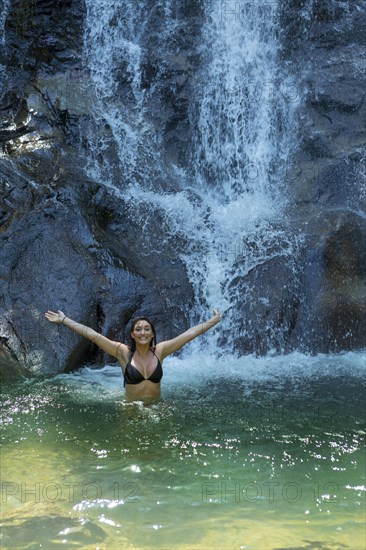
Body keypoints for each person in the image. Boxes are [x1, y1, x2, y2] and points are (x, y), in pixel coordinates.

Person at [44, 308, 221, 401]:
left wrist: (213, 321)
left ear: (152, 334)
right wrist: (64, 320)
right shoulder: (123, 352)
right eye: (138, 329)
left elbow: (188, 335)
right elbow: (94, 335)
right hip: (131, 409)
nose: (143, 332)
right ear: (132, 335)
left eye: (146, 329)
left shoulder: (161, 351)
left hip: (156, 407)